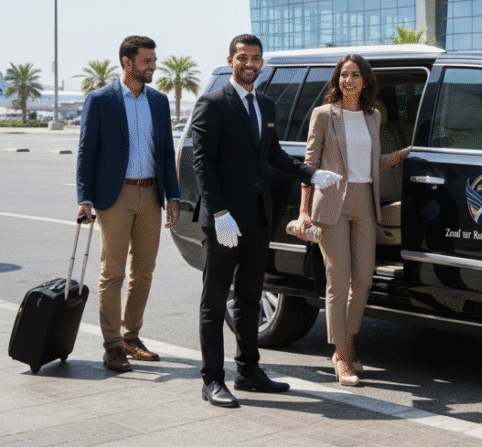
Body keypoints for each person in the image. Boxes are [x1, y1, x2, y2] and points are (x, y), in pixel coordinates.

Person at [191, 34, 342, 408]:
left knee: (249, 296)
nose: (250, 64)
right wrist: (220, 213)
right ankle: (212, 379)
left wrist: (311, 174)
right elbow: (202, 162)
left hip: (258, 216)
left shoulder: (266, 104)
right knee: (215, 301)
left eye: (256, 58)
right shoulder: (213, 103)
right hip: (224, 220)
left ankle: (248, 371)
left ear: (262, 63)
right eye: (243, 57)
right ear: (231, 60)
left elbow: (273, 156)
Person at [296, 54, 410, 385]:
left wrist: (401, 155)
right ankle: (342, 355)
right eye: (344, 75)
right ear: (337, 80)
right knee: (339, 278)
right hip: (331, 202)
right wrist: (304, 211)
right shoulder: (323, 115)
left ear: (365, 81)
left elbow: (371, 162)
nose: (349, 80)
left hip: (365, 201)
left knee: (363, 280)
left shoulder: (373, 116)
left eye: (355, 75)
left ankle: (348, 343)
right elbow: (309, 166)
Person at [76, 36, 180, 373]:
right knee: (113, 272)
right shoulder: (100, 100)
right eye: (147, 61)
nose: (153, 66)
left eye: (154, 60)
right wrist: (84, 199)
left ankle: (131, 337)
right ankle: (112, 347)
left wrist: (173, 195)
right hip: (115, 196)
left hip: (151, 194)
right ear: (127, 62)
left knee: (144, 272)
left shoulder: (159, 101)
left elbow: (166, 152)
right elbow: (86, 152)